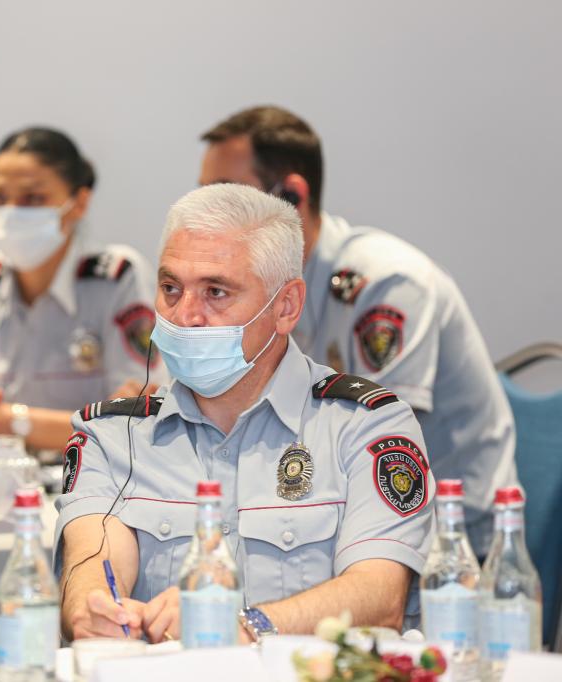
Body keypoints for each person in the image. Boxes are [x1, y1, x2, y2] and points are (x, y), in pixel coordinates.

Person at [55, 184, 435, 643]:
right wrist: (93, 610)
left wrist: (242, 626)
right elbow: (93, 565)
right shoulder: (112, 434)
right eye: (171, 288)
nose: (185, 315)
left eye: (216, 292)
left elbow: (378, 596)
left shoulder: (366, 426)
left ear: (286, 307)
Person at [195, 106, 515, 557]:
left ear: (291, 196)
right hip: (329, 517)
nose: (208, 220)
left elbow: (379, 445)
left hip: (453, 546)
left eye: (227, 199)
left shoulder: (388, 285)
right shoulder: (255, 288)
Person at [0, 127, 164, 452]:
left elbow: (135, 424)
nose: (12, 212)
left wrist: (9, 421)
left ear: (79, 202)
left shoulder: (116, 278)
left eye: (33, 198)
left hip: (83, 478)